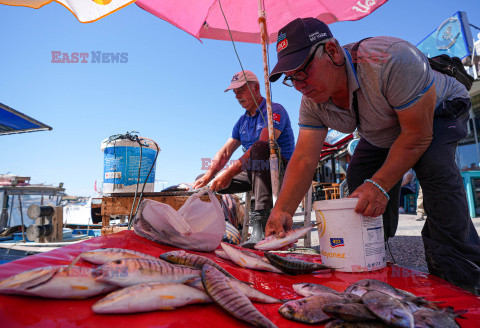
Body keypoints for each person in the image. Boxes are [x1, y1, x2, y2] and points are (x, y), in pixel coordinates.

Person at [265, 17, 480, 294]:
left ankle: (462, 276)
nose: (299, 85)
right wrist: (282, 209)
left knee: (434, 166)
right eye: (291, 78)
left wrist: (381, 184)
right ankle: (375, 253)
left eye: (302, 72)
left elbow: (417, 136)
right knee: (359, 174)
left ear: (331, 51)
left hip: (438, 111)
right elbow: (305, 158)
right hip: (386, 125)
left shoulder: (391, 60)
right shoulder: (312, 102)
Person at [193, 70, 295, 245]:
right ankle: (213, 226)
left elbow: (263, 144)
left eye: (241, 90)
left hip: (280, 170)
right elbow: (225, 152)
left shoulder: (274, 109)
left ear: (256, 88)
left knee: (260, 147)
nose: (237, 96)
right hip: (255, 172)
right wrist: (210, 175)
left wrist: (228, 173)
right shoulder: (242, 121)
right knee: (203, 182)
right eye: (235, 93)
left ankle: (261, 225)